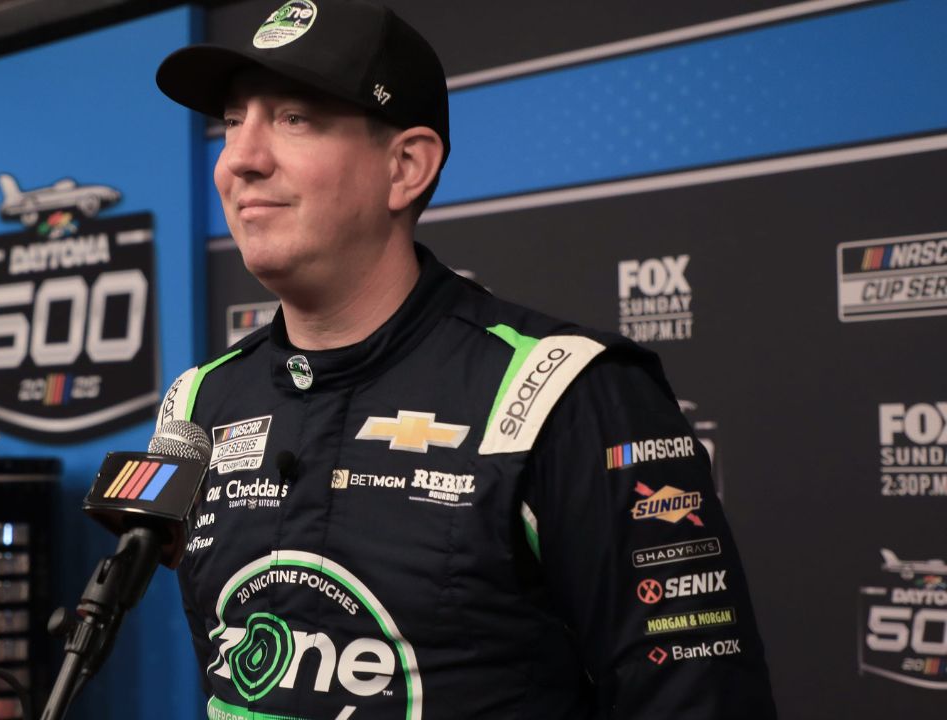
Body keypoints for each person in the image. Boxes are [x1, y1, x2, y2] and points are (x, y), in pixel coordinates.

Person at [154, 1, 777, 717]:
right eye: (234, 122)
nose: (239, 159)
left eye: (295, 118)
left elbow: (696, 699)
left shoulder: (564, 393)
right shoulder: (198, 404)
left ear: (406, 166)